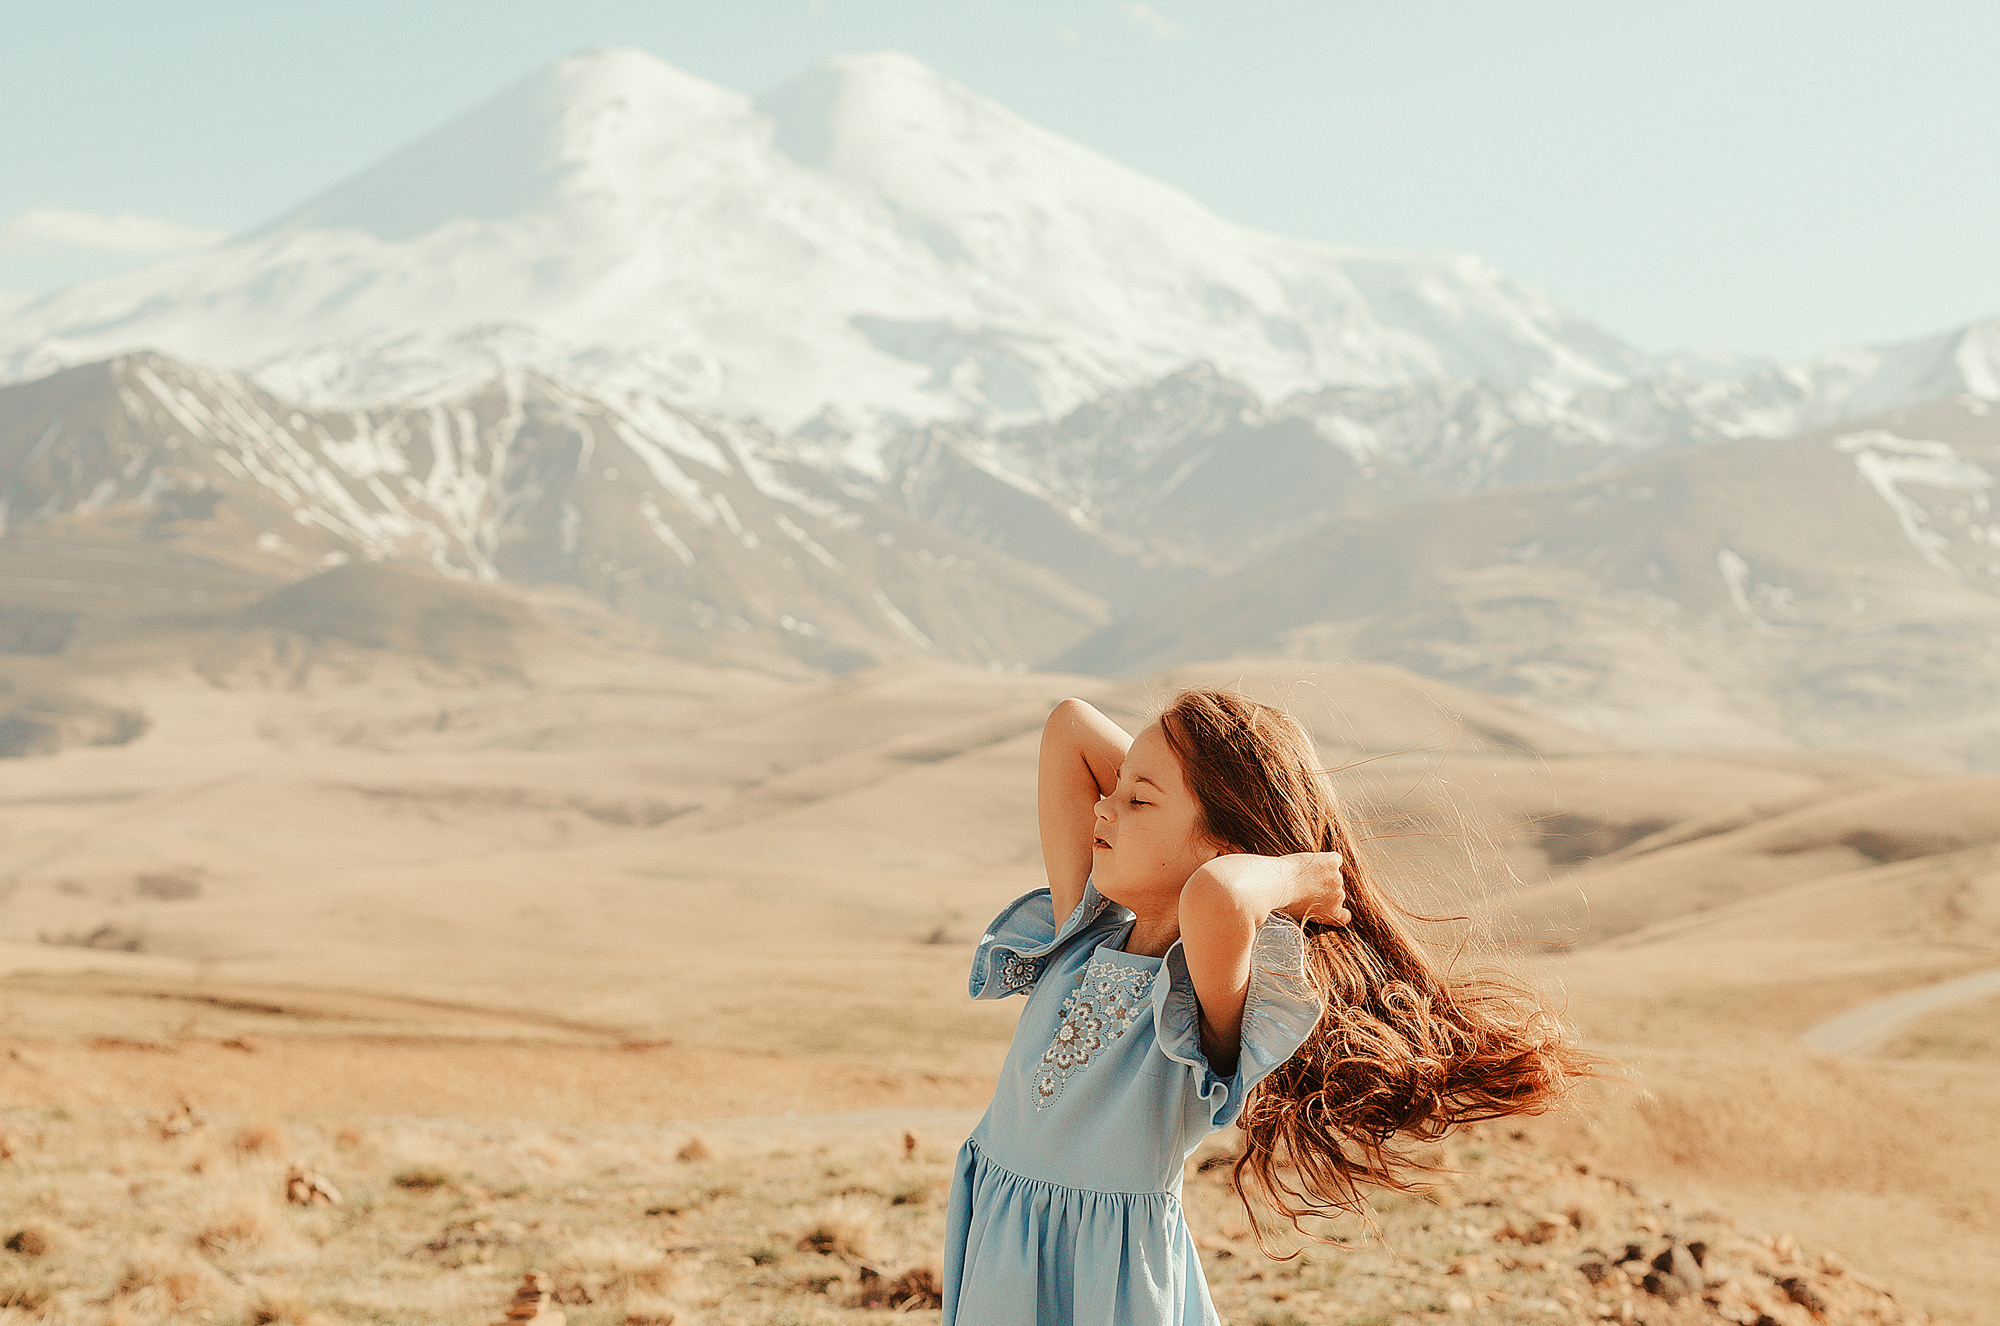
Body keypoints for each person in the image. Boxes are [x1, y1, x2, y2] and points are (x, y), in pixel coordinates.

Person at [941, 689, 1588, 1325]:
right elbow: (1069, 727)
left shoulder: (1198, 995)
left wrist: (1301, 873)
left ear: (1228, 851)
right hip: (1003, 1254)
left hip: (1107, 1293)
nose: (1102, 810)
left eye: (1137, 799)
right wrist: (1168, 780)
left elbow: (1217, 898)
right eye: (1115, 790)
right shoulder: (1080, 934)